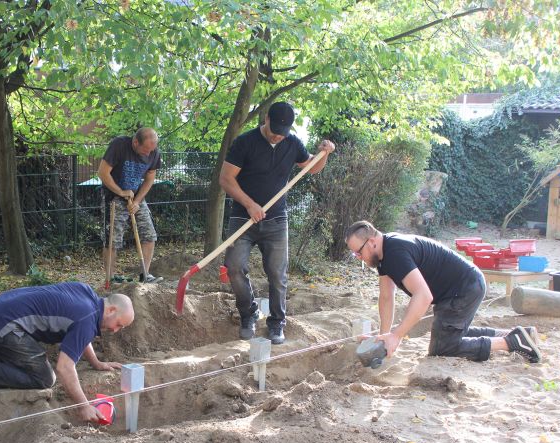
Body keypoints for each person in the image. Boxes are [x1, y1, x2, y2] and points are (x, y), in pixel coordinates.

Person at [219, 101, 335, 344]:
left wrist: (324, 154)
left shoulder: (292, 143)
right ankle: (248, 313)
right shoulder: (245, 142)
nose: (278, 137)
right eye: (275, 131)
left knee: (277, 274)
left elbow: (311, 168)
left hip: (276, 220)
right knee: (234, 267)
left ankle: (276, 323)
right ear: (266, 120)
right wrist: (250, 204)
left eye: (284, 133)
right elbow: (226, 179)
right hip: (243, 217)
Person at [344, 220, 541, 363]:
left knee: (442, 347)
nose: (359, 257)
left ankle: (512, 342)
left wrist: (396, 335)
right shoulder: (383, 255)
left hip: (464, 288)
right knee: (447, 333)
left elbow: (423, 296)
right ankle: (518, 333)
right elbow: (387, 296)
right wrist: (383, 337)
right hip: (457, 289)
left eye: (358, 252)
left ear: (371, 242)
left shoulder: (395, 253)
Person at [0, 282, 134, 423]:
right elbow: (64, 367)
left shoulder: (87, 295)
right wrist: (83, 406)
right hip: (4, 325)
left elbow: (80, 334)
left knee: (28, 361)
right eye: (119, 324)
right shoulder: (87, 319)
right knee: (45, 378)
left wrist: (97, 363)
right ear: (111, 310)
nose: (116, 330)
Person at [99, 127, 163, 283]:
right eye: (146, 150)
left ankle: (145, 275)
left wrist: (137, 201)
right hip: (113, 197)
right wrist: (121, 192)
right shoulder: (119, 145)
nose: (149, 154)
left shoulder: (153, 152)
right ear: (135, 142)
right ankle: (110, 279)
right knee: (112, 241)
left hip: (136, 196)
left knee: (149, 235)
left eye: (152, 150)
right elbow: (102, 172)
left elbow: (149, 178)